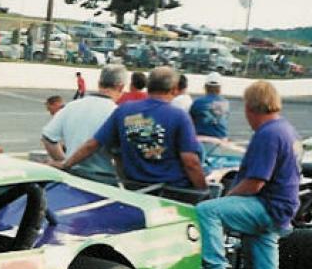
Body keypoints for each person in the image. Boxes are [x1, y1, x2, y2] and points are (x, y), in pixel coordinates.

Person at [195, 80, 302, 269]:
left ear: (250, 107)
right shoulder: (286, 129)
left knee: (207, 210)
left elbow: (255, 182)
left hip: (266, 204)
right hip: (282, 208)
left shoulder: (268, 134)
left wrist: (228, 198)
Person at [59, 65, 206, 193]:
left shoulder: (124, 110)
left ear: (148, 86)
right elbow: (191, 162)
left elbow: (92, 144)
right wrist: (203, 191)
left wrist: (66, 164)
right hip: (171, 190)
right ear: (174, 89)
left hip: (135, 187)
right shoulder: (179, 116)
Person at [42, 63, 124, 182]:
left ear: (99, 83)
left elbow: (48, 138)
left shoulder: (72, 106)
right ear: (120, 87)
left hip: (73, 175)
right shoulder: (116, 112)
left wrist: (65, 161)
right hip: (103, 177)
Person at [190, 72, 230, 140]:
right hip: (220, 139)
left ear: (205, 87)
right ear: (219, 88)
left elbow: (190, 121)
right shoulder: (225, 102)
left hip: (200, 138)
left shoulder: (198, 102)